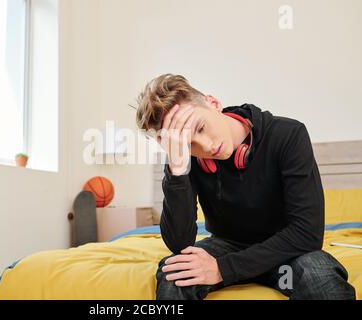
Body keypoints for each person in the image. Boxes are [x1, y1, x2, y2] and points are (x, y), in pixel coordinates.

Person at [135, 74, 356, 300]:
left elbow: (307, 233)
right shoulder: (183, 158)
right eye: (189, 144)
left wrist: (222, 269)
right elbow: (180, 244)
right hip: (228, 247)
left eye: (201, 128)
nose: (207, 146)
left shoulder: (287, 134)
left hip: (286, 258)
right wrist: (177, 169)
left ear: (213, 103)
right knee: (176, 273)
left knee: (317, 276)